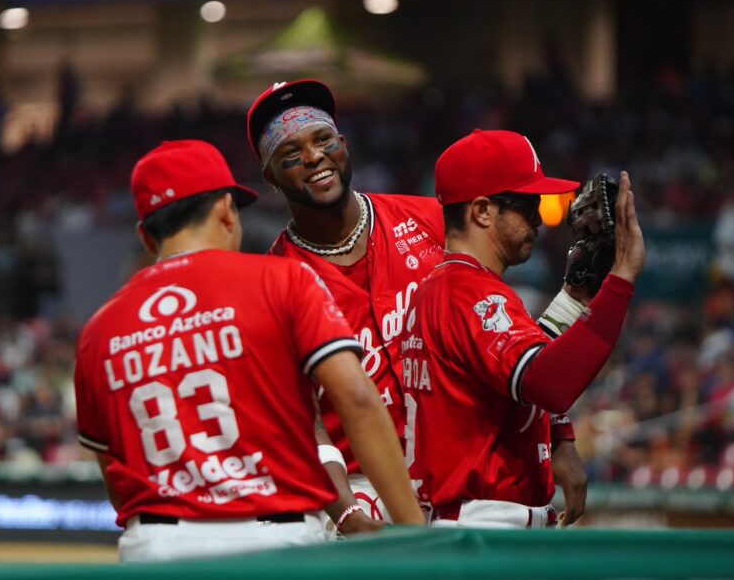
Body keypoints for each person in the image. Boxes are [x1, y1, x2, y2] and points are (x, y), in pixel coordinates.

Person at [246, 80, 588, 530]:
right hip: (359, 486)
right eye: (290, 153)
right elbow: (302, 421)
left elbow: (509, 331)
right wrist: (346, 512)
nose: (313, 157)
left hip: (455, 484)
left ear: (343, 145)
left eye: (323, 140)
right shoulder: (271, 284)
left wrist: (560, 436)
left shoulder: (429, 220)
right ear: (271, 177)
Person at [74, 140, 422, 563]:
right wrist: (413, 531)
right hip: (273, 539)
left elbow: (114, 474)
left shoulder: (99, 330)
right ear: (226, 210)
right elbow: (358, 399)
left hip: (156, 548)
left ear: (146, 236)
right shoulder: (283, 280)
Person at [403, 128, 645, 528]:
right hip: (484, 526)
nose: (538, 219)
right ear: (482, 211)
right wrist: (621, 277)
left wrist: (575, 296)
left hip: (468, 519)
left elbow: (523, 369)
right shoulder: (469, 293)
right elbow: (548, 383)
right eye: (526, 204)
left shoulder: (445, 287)